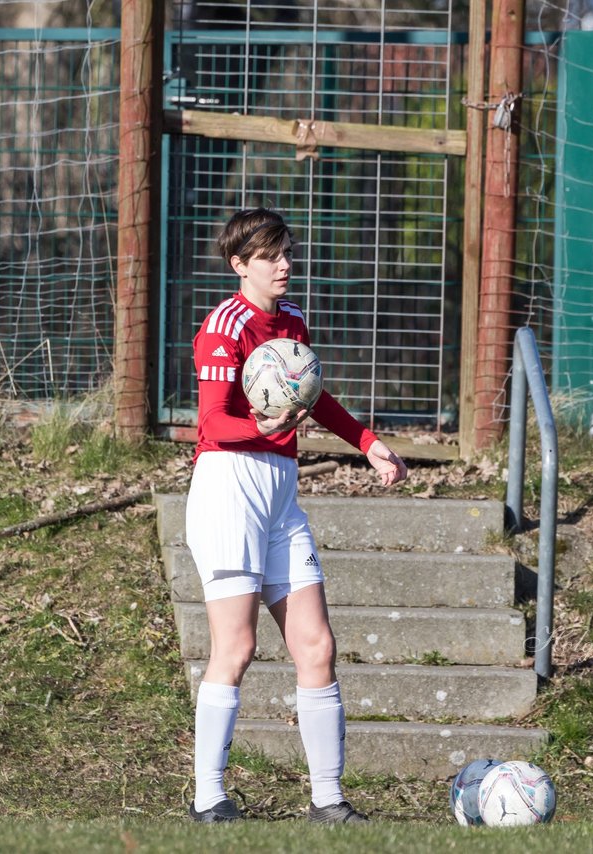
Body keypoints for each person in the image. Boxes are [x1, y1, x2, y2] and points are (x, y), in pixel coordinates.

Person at [185, 207, 408, 824]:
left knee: (317, 645)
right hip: (229, 488)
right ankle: (209, 799)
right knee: (237, 646)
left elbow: (314, 397)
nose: (285, 265)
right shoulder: (223, 326)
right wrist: (258, 424)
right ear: (240, 266)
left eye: (287, 252)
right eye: (270, 256)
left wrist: (366, 442)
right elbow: (211, 424)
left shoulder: (294, 323)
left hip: (281, 492)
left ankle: (328, 801)